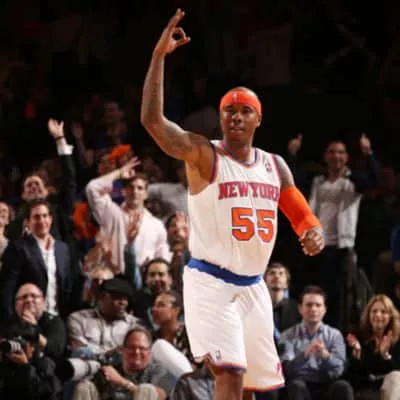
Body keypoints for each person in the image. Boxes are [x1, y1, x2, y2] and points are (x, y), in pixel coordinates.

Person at [140, 9, 325, 400]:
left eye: (245, 111)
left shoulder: (275, 165)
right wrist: (158, 58)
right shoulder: (204, 155)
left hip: (253, 285)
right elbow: (153, 122)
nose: (236, 117)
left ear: (258, 119)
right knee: (230, 371)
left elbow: (298, 210)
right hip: (212, 282)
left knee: (249, 387)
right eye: (229, 110)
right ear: (220, 118)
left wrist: (311, 230)